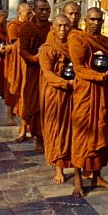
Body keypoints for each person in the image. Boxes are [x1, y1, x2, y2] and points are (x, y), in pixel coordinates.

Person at [68, 7, 108, 198]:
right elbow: (79, 68)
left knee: (101, 134)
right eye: (93, 19)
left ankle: (97, 176)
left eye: (100, 20)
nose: (96, 23)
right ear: (85, 20)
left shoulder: (105, 41)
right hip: (85, 93)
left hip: (103, 93)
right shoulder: (77, 38)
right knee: (82, 135)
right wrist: (100, 76)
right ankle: (77, 179)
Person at [39, 14, 75, 183]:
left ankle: (77, 165)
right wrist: (65, 83)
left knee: (75, 130)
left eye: (66, 26)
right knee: (57, 129)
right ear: (52, 28)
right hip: (54, 92)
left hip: (74, 92)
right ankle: (59, 168)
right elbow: (47, 73)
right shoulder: (47, 48)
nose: (63, 29)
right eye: (59, 26)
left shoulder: (75, 46)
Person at [16, 0, 52, 150]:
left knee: (49, 103)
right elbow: (22, 50)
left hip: (50, 70)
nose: (44, 13)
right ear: (34, 10)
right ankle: (37, 137)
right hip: (34, 69)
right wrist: (35, 58)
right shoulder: (26, 28)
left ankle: (48, 135)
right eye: (41, 9)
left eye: (47, 10)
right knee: (34, 102)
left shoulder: (52, 27)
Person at [4, 2, 32, 127]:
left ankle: (24, 118)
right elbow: (15, 44)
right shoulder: (13, 26)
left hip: (26, 60)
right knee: (13, 87)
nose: (30, 16)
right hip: (14, 62)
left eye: (31, 13)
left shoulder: (31, 25)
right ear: (20, 13)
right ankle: (9, 116)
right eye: (28, 13)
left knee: (26, 88)